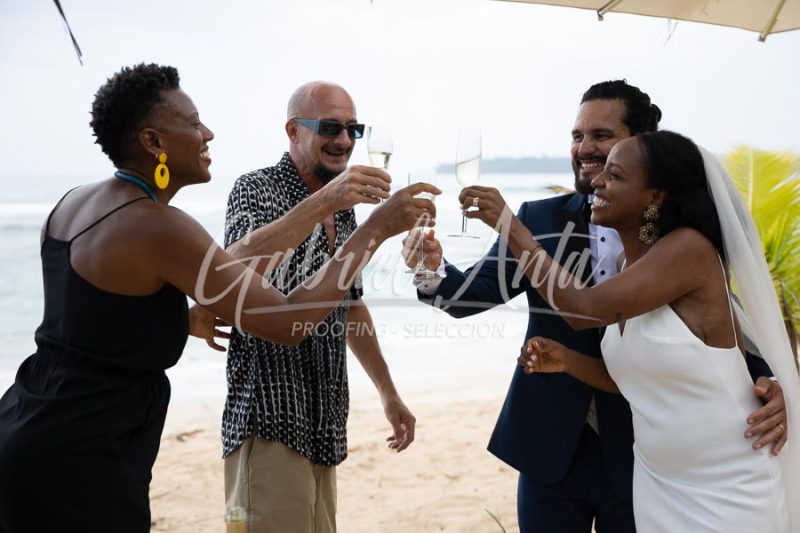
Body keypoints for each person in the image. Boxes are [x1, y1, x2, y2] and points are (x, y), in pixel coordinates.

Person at [0, 64, 437, 533]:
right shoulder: (161, 226)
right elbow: (287, 323)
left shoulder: (72, 202)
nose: (207, 133)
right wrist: (374, 230)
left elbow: (96, 326)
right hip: (86, 452)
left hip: (30, 420)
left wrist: (183, 318)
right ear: (153, 143)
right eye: (192, 123)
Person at [402, 80, 787, 532]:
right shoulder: (542, 218)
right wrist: (429, 269)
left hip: (646, 455)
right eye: (577, 136)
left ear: (643, 141)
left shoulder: (679, 243)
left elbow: (724, 322)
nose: (585, 150)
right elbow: (466, 296)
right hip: (550, 446)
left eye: (601, 137)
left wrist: (769, 379)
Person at [502, 131, 799, 531]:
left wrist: (510, 227)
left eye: (615, 175)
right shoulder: (628, 263)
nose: (597, 182)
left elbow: (584, 311)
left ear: (655, 196)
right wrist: (569, 361)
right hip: (658, 484)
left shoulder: (689, 249)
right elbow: (634, 380)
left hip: (728, 480)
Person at [220, 81, 416, 532]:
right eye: (330, 127)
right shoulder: (256, 188)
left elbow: (349, 306)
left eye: (353, 129)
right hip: (267, 421)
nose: (345, 141)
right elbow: (228, 269)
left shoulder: (343, 205)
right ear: (293, 131)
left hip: (324, 424)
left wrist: (388, 393)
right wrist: (331, 205)